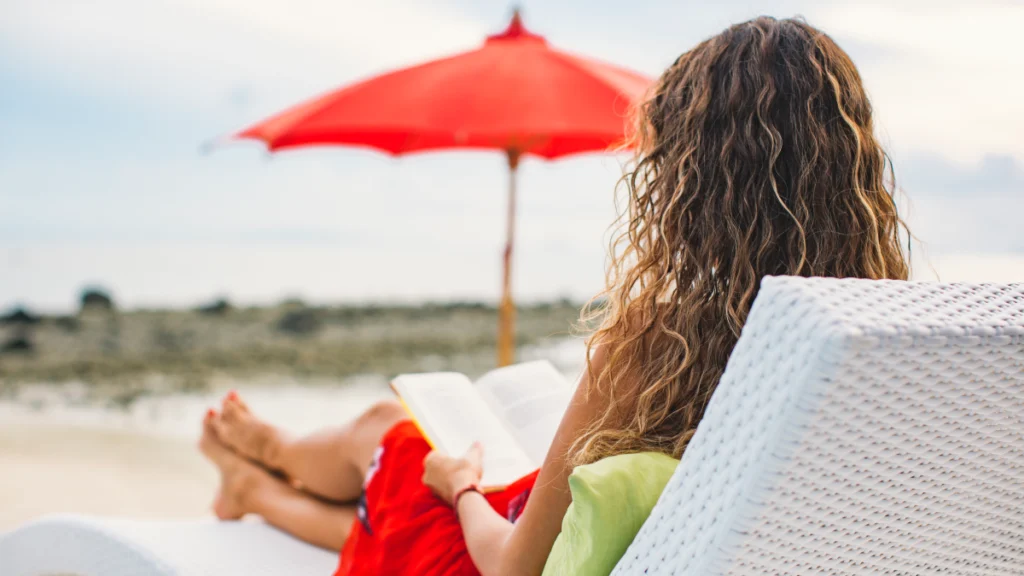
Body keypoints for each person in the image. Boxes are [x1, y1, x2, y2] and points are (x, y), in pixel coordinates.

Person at [198, 16, 911, 576]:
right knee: (409, 485)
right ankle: (258, 480)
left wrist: (462, 488)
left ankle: (267, 459)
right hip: (649, 550)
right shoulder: (876, 340)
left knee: (393, 436)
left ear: (691, 183)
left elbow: (510, 567)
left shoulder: (662, 342)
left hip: (512, 556)